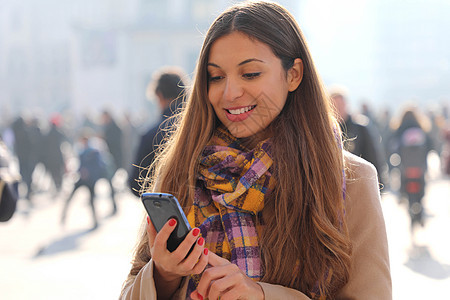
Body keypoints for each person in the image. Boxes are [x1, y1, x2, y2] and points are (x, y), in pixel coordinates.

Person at [120, 2, 391, 299]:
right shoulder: (181, 170)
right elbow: (130, 291)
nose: (230, 92)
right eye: (216, 77)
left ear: (294, 74)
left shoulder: (349, 180)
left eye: (250, 74)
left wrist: (262, 295)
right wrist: (164, 274)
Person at [128, 67, 187, 197]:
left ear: (159, 96)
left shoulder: (152, 135)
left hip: (168, 212)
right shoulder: (203, 126)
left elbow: (136, 184)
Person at [329, 86, 388, 189]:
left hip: (359, 185)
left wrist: (379, 183)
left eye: (340, 104)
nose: (338, 109)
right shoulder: (327, 131)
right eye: (334, 105)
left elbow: (373, 156)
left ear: (346, 105)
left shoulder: (361, 127)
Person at [390, 107, 433, 233]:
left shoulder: (400, 128)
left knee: (405, 188)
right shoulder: (421, 128)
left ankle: (404, 199)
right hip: (419, 167)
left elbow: (393, 146)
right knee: (421, 187)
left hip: (406, 168)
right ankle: (420, 209)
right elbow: (430, 145)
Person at [60, 130, 108, 230]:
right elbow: (80, 165)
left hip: (90, 180)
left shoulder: (94, 152)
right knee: (71, 197)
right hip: (82, 178)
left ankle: (95, 221)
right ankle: (63, 216)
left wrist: (89, 173)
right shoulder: (81, 152)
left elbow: (98, 166)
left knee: (91, 201)